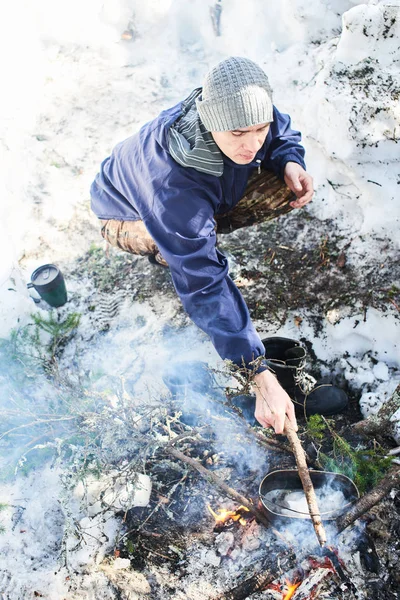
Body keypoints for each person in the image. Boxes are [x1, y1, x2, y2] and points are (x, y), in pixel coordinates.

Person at [90, 57, 317, 435]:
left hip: (199, 195)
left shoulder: (246, 108)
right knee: (190, 255)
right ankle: (173, 249)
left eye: (258, 129)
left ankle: (194, 236)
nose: (251, 143)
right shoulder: (173, 187)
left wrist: (289, 159)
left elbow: (278, 127)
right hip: (126, 216)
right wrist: (259, 376)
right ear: (211, 121)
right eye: (239, 133)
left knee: (280, 185)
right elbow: (205, 285)